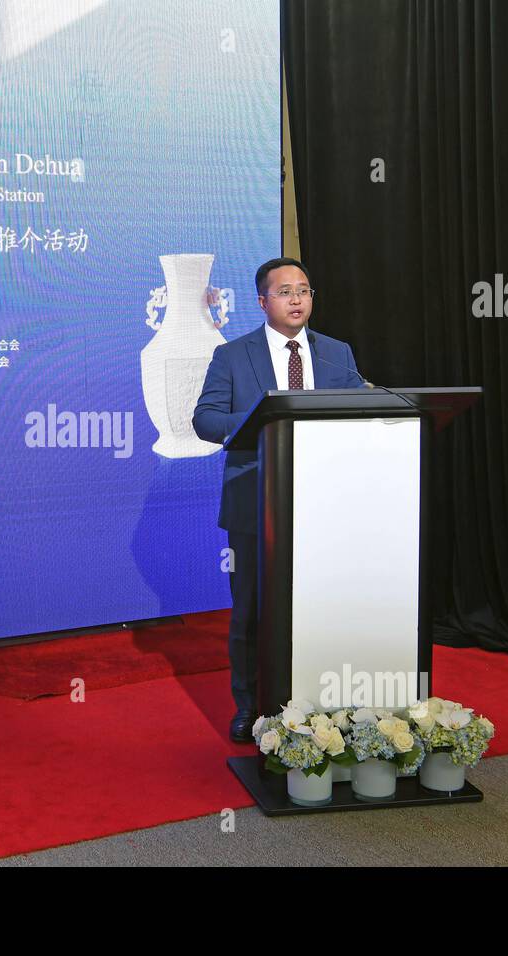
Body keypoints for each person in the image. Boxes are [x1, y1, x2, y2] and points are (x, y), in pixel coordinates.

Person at [192, 257, 365, 741]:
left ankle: (323, 700)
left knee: (322, 608)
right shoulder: (233, 355)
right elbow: (204, 421)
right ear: (262, 301)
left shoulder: (336, 353)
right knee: (251, 610)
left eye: (304, 291)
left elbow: (362, 409)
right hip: (256, 502)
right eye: (285, 291)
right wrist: (261, 417)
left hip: (325, 503)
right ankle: (250, 707)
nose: (296, 299)